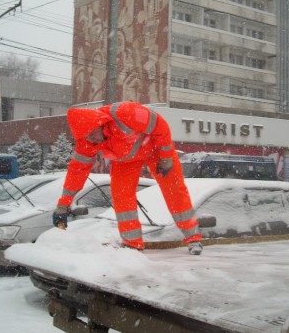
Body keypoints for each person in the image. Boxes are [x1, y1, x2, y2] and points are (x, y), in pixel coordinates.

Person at [52, 101, 203, 255]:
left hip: (156, 150)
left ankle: (193, 238)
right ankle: (133, 245)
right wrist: (64, 204)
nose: (91, 140)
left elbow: (160, 126)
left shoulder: (124, 113)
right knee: (121, 196)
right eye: (86, 137)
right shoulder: (87, 142)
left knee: (174, 190)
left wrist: (166, 158)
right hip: (125, 161)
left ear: (99, 123)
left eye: (91, 134)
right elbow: (77, 171)